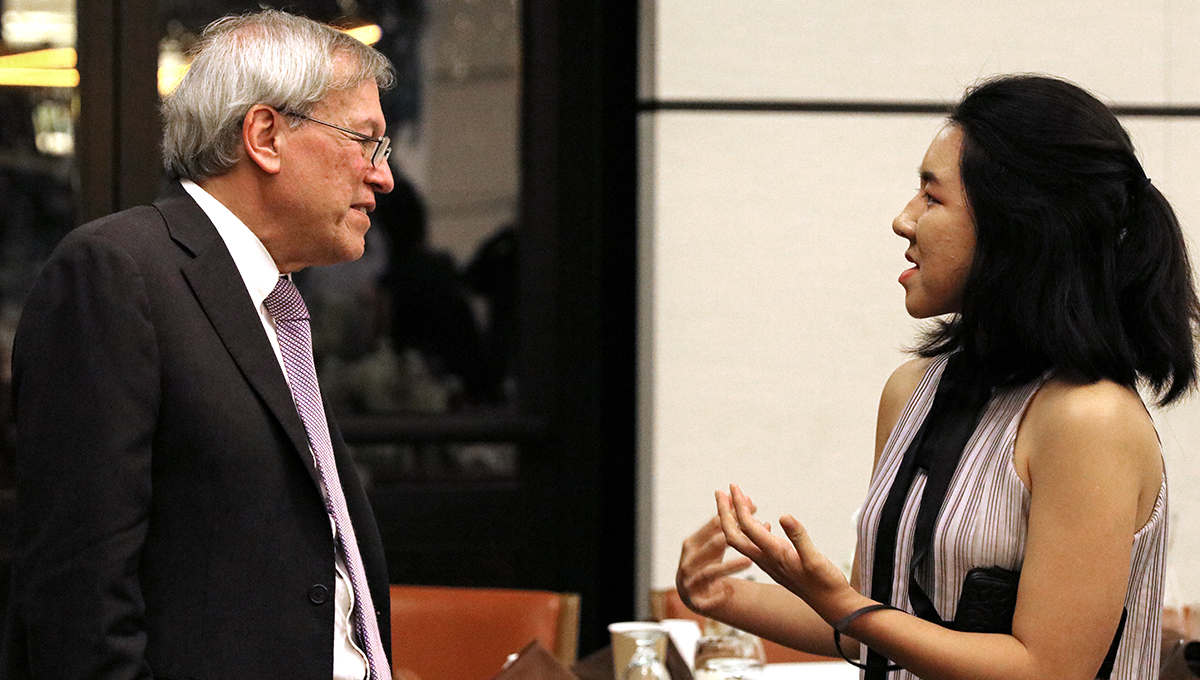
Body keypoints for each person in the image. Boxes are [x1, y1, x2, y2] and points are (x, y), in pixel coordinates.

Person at [677, 74, 1198, 680]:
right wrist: (725, 597)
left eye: (932, 197)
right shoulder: (911, 390)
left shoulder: (1089, 419)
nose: (903, 221)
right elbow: (886, 621)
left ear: (1018, 224)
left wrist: (846, 606)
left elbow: (1047, 669)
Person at [1, 9, 397, 679]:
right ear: (266, 136)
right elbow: (79, 604)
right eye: (365, 141)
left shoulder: (274, 300)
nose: (382, 176)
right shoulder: (117, 275)